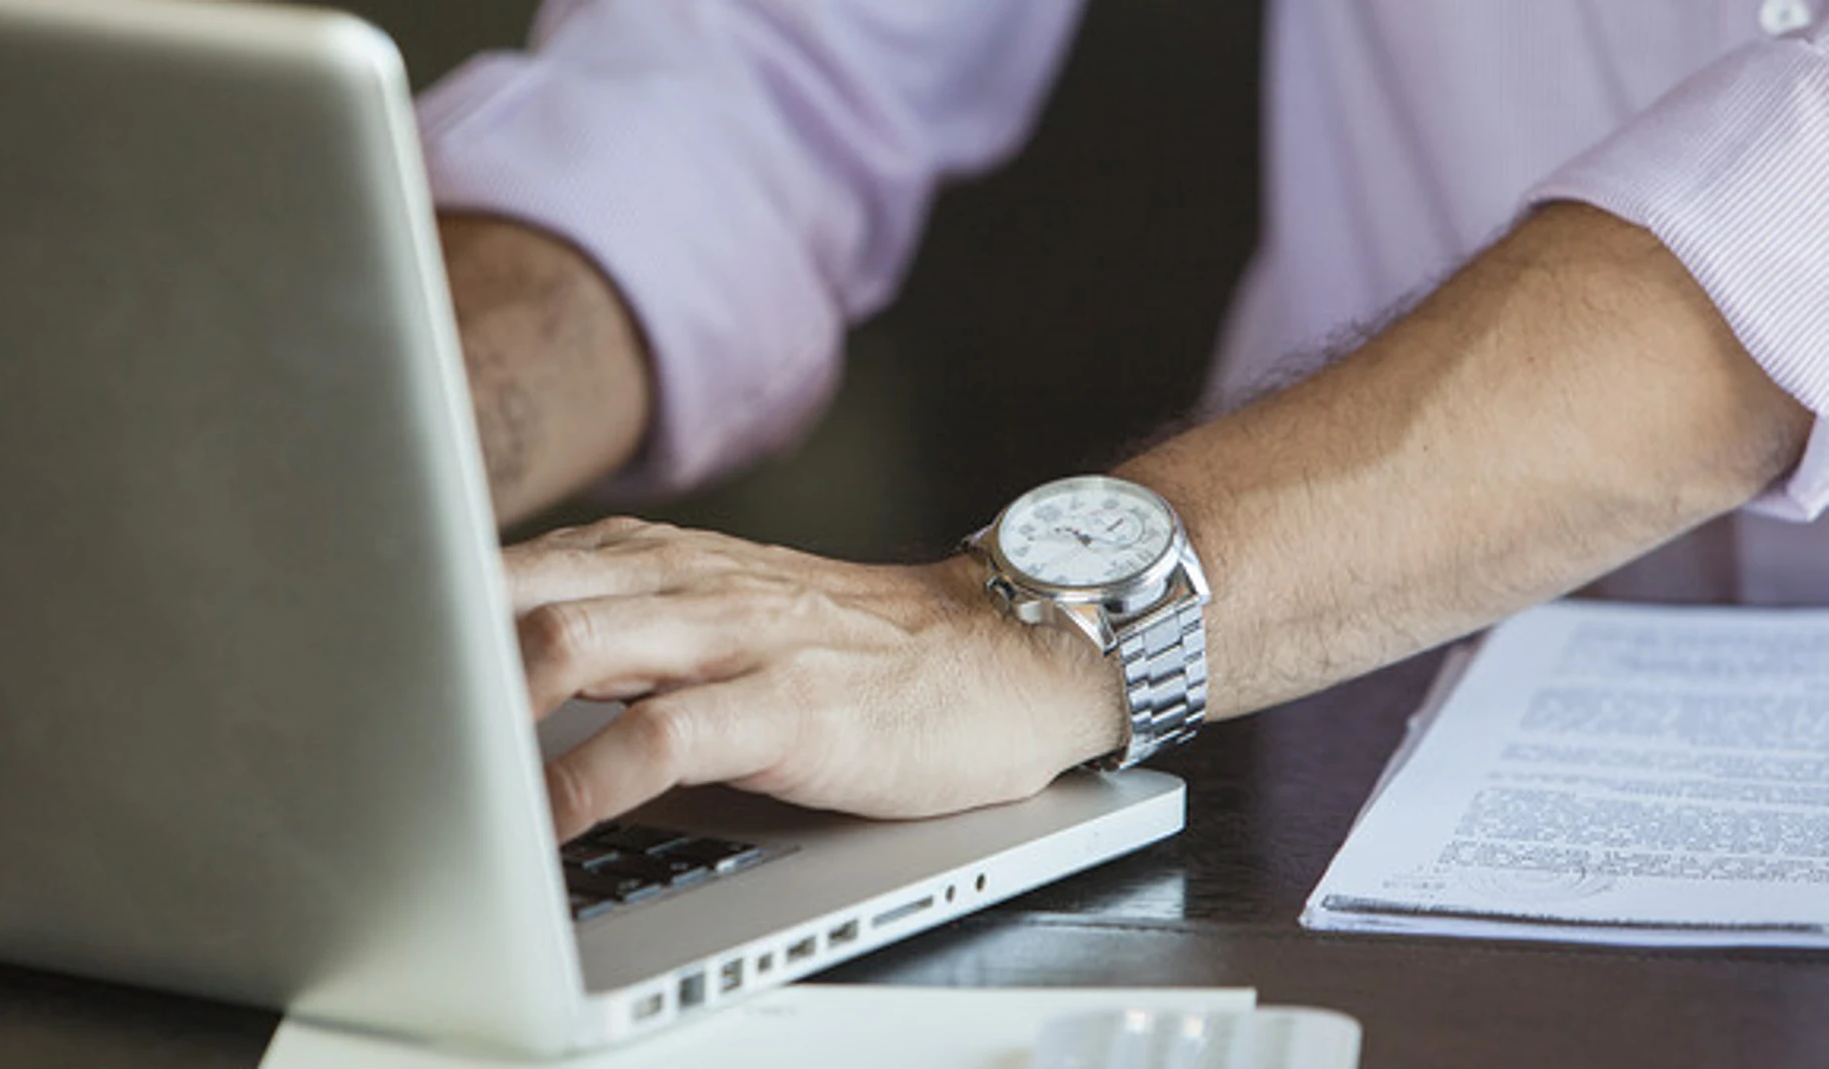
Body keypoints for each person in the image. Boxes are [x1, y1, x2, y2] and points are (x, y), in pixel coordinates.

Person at [416, 2, 1828, 839]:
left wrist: (1043, 628)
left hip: (1201, 640)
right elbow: (775, 56)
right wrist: (414, 423)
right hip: (1296, 763)